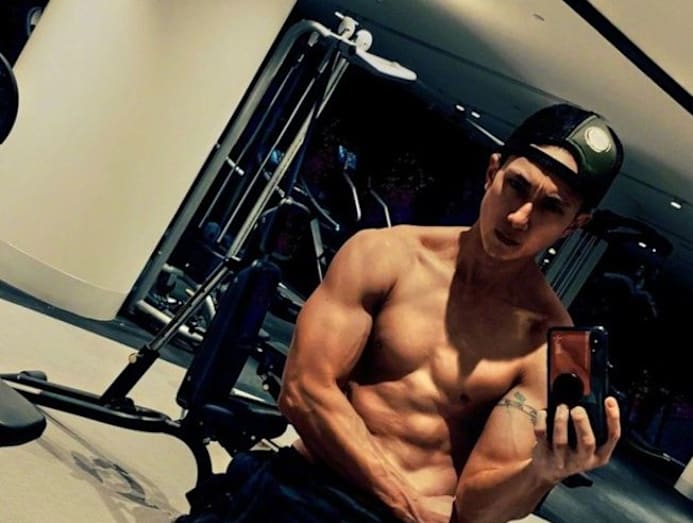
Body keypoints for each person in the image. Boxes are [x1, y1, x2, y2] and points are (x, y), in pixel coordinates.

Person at [184, 103, 624, 523]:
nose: (520, 218)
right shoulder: (383, 254)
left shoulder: (556, 345)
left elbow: (476, 510)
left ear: (574, 225)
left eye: (552, 207)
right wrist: (405, 503)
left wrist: (539, 473)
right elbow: (302, 391)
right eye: (517, 186)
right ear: (493, 172)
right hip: (311, 491)